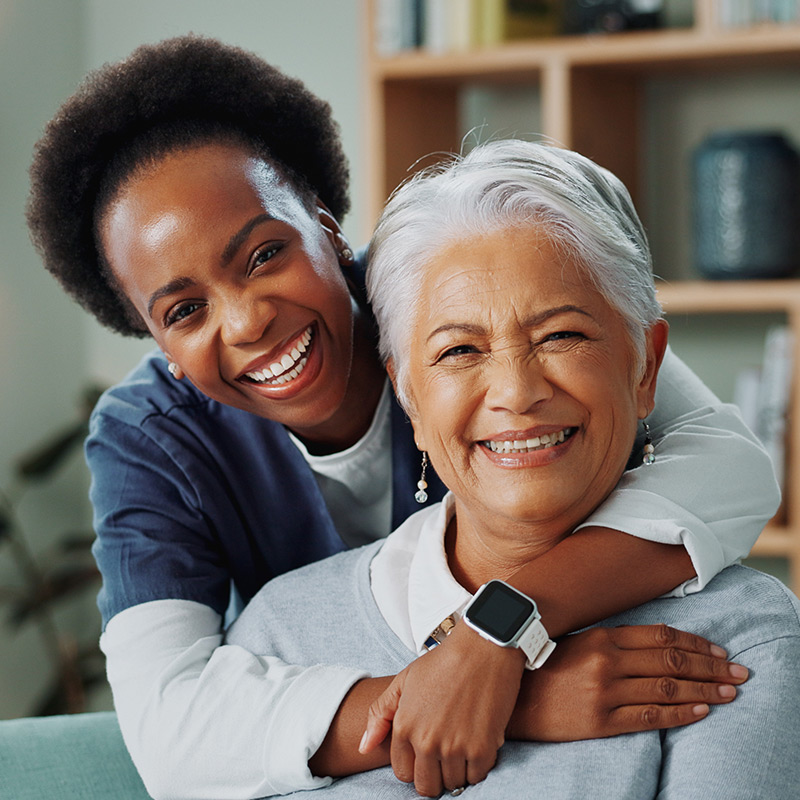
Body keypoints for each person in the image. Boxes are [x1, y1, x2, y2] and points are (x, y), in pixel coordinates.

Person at [25, 36, 779, 800]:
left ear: (325, 225)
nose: (247, 320)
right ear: (156, 341)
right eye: (185, 310)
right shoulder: (151, 437)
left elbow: (729, 467)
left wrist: (497, 632)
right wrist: (494, 697)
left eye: (262, 255)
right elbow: (173, 732)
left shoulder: (451, 290)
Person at [226, 139, 800, 798]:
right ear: (409, 396)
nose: (516, 392)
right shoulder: (280, 632)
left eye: (561, 336)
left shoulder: (736, 641)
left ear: (646, 366)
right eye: (460, 350)